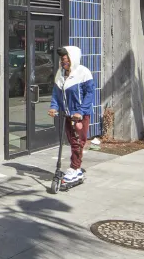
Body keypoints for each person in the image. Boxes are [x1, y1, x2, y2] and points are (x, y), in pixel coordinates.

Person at [47, 45, 95, 185]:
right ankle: (76, 168)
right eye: (62, 59)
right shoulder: (60, 74)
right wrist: (53, 107)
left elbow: (90, 94)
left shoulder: (83, 72)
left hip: (80, 115)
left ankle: (75, 168)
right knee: (72, 141)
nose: (63, 61)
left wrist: (80, 111)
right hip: (68, 115)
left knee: (78, 142)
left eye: (66, 58)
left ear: (73, 59)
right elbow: (56, 94)